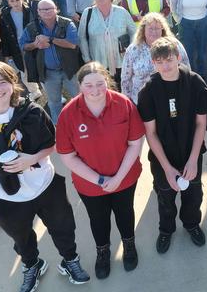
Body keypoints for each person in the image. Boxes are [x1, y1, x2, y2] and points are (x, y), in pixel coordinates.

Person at [0, 61, 89, 291]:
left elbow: (53, 144)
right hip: (6, 196)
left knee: (63, 227)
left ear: (13, 82)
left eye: (3, 81)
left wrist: (32, 158)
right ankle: (32, 265)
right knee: (21, 237)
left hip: (45, 185)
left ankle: (70, 260)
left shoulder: (31, 111)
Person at [56, 62, 145, 279]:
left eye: (100, 84)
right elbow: (67, 156)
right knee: (98, 219)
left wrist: (118, 178)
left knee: (125, 213)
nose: (95, 90)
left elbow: (136, 142)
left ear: (107, 81)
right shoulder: (68, 114)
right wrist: (100, 180)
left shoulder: (123, 103)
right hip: (90, 185)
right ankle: (103, 251)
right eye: (88, 85)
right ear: (79, 86)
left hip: (125, 178)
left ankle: (129, 245)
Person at [137, 38, 207, 254]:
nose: (165, 66)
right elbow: (150, 133)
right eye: (159, 62)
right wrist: (167, 168)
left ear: (178, 57)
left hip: (190, 151)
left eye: (169, 60)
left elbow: (200, 124)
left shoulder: (195, 83)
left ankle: (192, 224)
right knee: (165, 196)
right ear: (153, 64)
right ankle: (166, 230)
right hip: (163, 156)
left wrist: (193, 159)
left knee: (193, 194)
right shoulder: (148, 91)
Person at [20, 0, 81, 123]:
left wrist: (50, 39)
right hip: (48, 73)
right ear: (38, 12)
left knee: (80, 98)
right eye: (42, 9)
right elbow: (23, 45)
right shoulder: (31, 27)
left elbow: (73, 44)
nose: (46, 11)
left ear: (56, 9)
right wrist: (35, 44)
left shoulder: (67, 23)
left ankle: (84, 122)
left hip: (69, 70)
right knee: (54, 103)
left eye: (49, 8)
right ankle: (58, 128)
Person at [121, 13, 190, 104]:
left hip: (170, 98)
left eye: (157, 28)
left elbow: (186, 69)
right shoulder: (133, 49)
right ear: (143, 30)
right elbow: (125, 79)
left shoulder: (174, 45)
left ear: (162, 29)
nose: (154, 32)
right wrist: (128, 102)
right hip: (141, 101)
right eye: (150, 28)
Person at [79, 0, 137, 83]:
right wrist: (87, 59)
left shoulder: (122, 12)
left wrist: (130, 51)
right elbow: (82, 37)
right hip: (98, 62)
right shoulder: (87, 13)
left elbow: (134, 31)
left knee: (124, 91)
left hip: (122, 62)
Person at [0, 0, 42, 99]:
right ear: (8, 2)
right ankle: (34, 91)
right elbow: (4, 36)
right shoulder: (5, 15)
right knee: (24, 71)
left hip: (33, 44)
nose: (15, 3)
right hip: (17, 47)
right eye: (12, 1)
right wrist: (7, 54)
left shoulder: (31, 11)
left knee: (41, 69)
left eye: (17, 0)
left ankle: (54, 94)